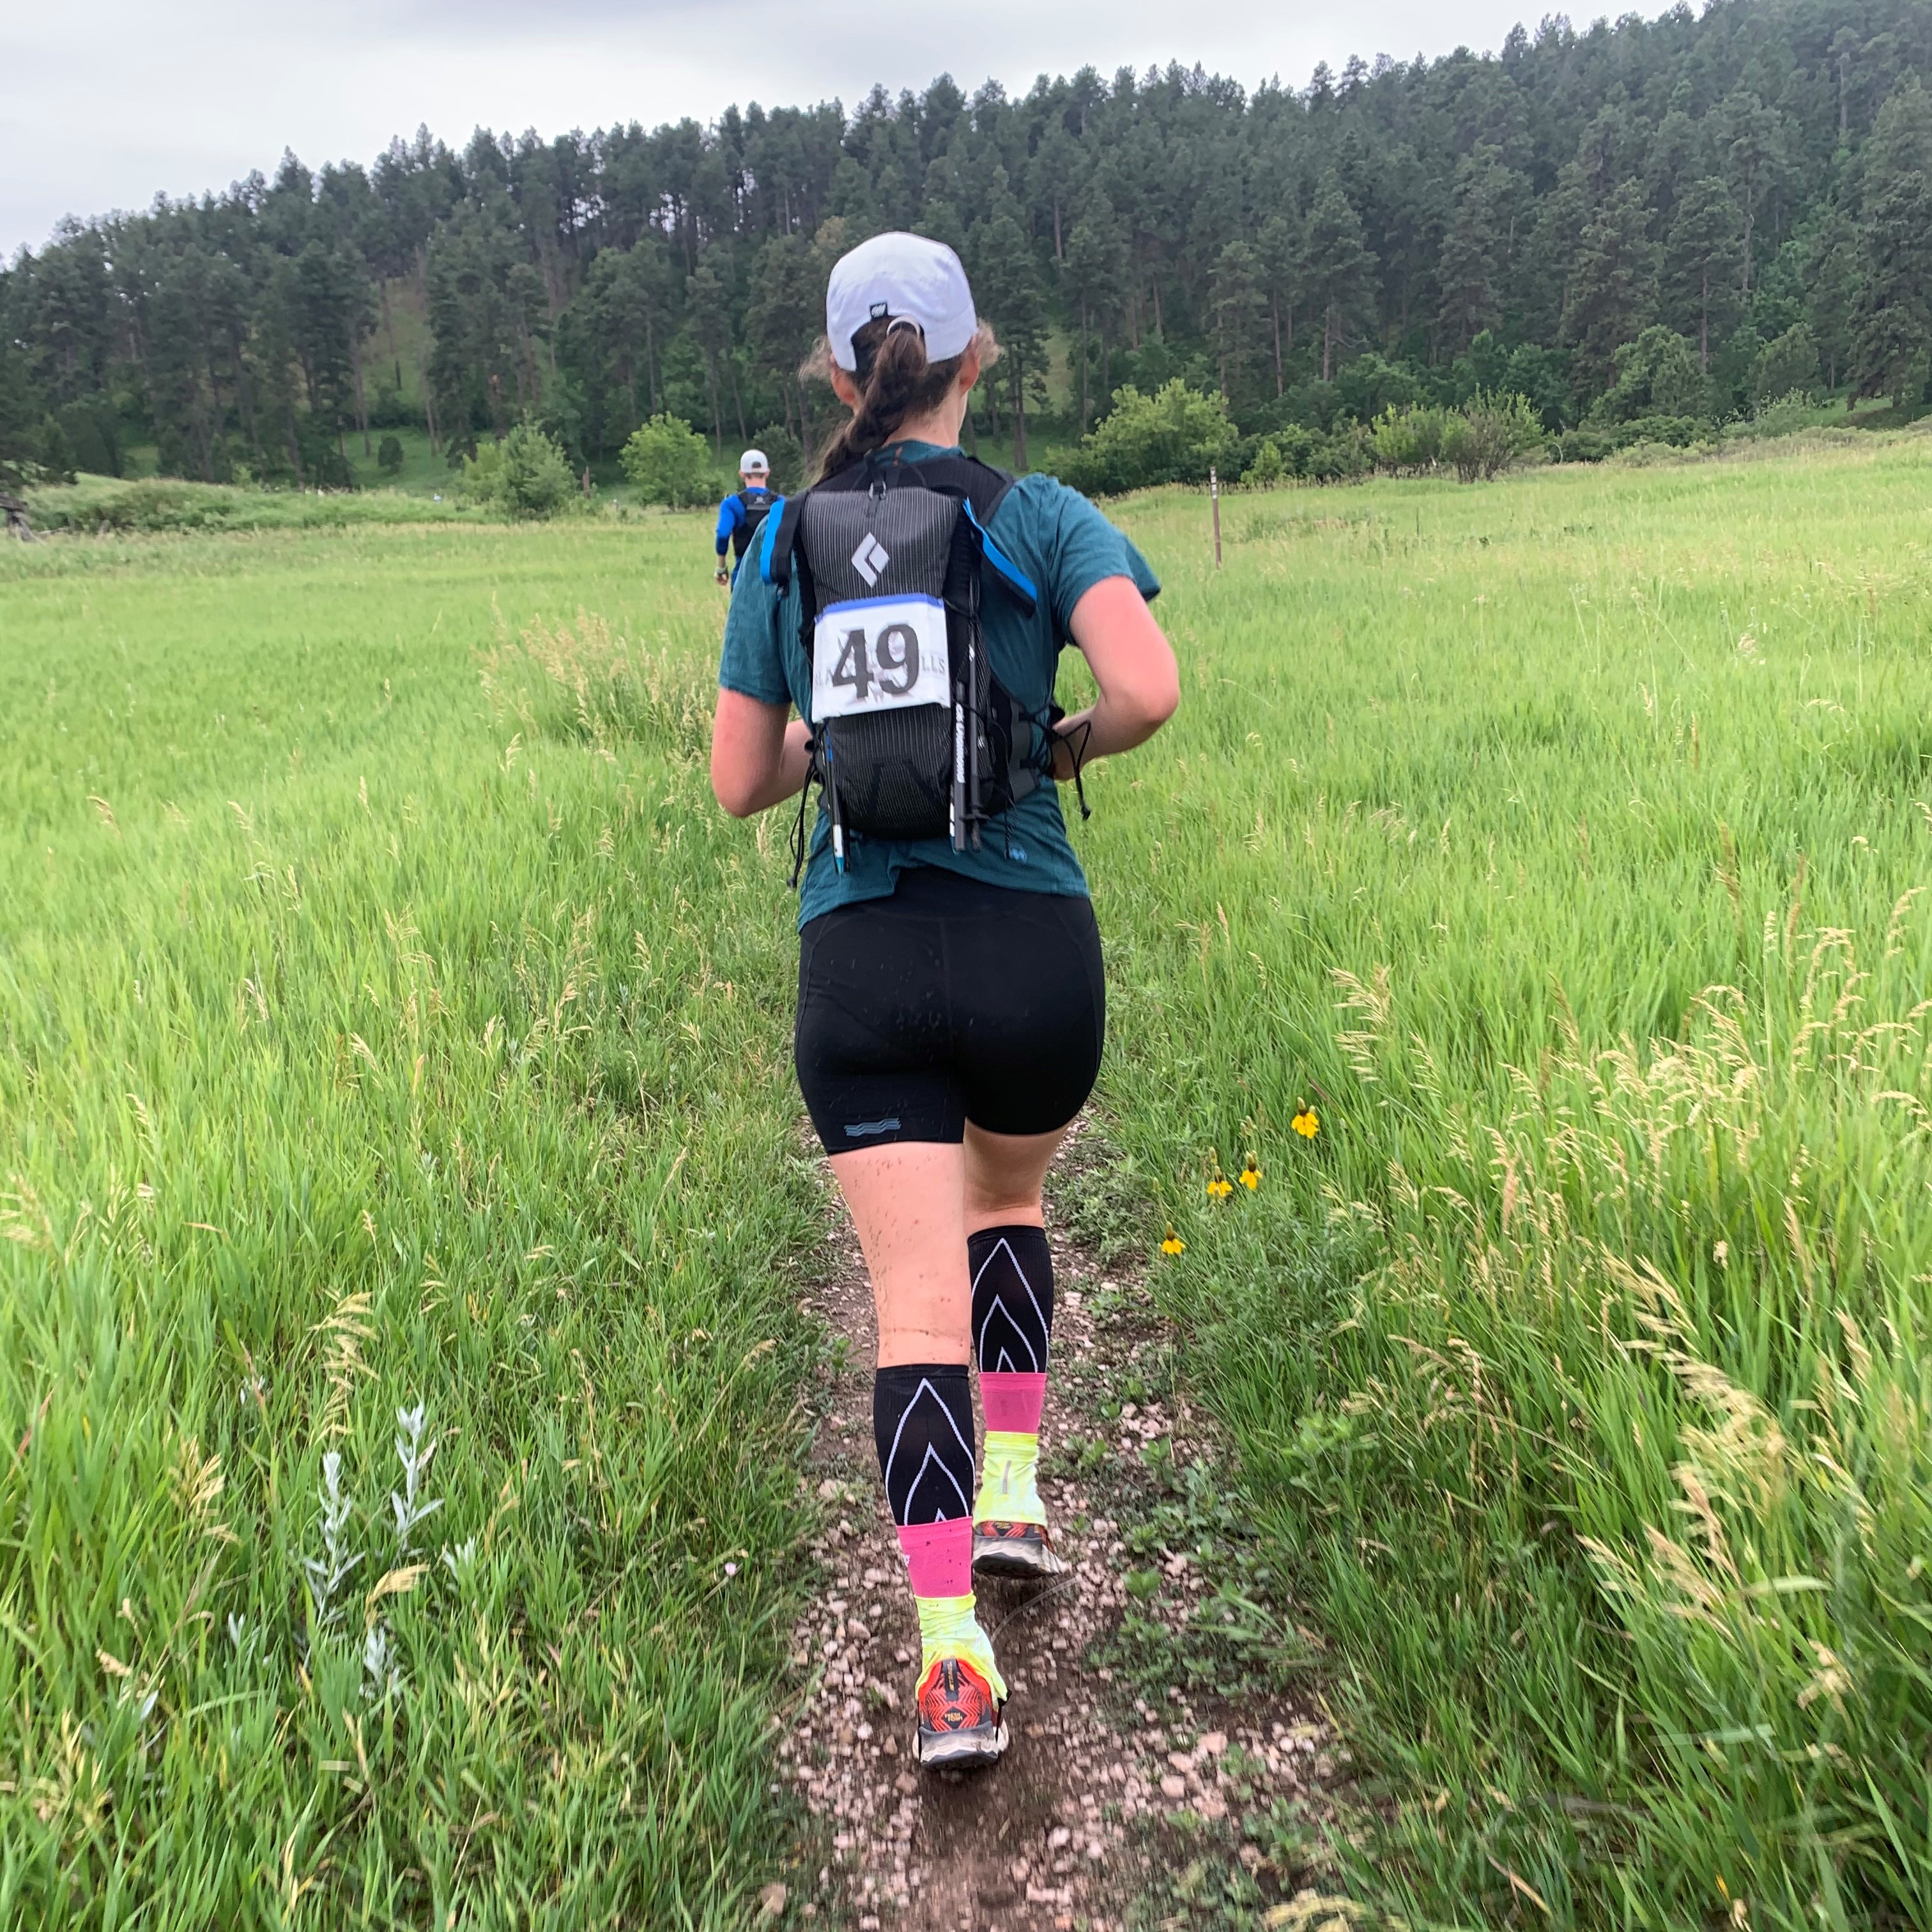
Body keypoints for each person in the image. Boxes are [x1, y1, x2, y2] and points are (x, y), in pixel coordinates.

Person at [709, 232, 1178, 1771]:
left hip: (862, 961)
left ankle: (949, 1662)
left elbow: (737, 782)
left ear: (840, 378)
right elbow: (1148, 689)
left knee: (909, 1300)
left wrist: (838, 757)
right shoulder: (1040, 513)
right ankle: (1021, 1497)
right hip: (1034, 951)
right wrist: (1054, 751)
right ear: (980, 360)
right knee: (1012, 1208)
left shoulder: (784, 541)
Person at [714, 449, 774, 585]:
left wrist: (721, 568)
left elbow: (723, 535)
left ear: (742, 474)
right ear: (767, 473)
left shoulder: (731, 504)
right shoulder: (781, 502)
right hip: (776, 574)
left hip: (744, 573)